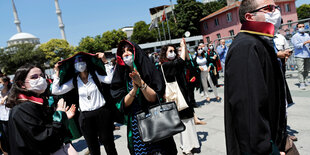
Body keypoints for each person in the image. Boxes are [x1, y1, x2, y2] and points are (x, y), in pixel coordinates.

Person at [224, 0, 287, 154]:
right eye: (269, 8)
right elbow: (249, 114)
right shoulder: (246, 47)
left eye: (276, 7)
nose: (276, 12)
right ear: (250, 17)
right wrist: (268, 150)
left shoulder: (260, 42)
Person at [110, 40, 178, 155]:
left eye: (129, 50)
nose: (126, 54)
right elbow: (122, 104)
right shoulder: (122, 74)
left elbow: (154, 98)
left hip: (155, 120)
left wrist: (141, 83)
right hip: (136, 126)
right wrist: (134, 90)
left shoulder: (148, 69)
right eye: (123, 51)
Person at [52, 52, 117, 155]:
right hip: (86, 117)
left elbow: (110, 79)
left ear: (87, 63)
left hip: (102, 113)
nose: (80, 64)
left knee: (109, 144)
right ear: (74, 66)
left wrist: (105, 62)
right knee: (93, 147)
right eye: (77, 62)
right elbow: (55, 91)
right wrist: (56, 72)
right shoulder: (74, 80)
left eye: (82, 61)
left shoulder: (95, 75)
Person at [6, 64, 76, 155]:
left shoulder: (36, 103)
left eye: (42, 76)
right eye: (34, 77)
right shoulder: (23, 108)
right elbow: (43, 138)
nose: (41, 79)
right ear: (21, 84)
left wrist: (63, 117)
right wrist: (59, 118)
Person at [159, 39, 200, 155]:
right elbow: (181, 62)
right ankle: (187, 147)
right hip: (177, 97)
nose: (173, 53)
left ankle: (191, 144)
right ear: (165, 54)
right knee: (185, 121)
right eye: (170, 51)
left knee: (189, 119)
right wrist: (182, 46)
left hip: (183, 95)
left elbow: (186, 60)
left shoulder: (174, 63)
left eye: (174, 51)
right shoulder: (166, 65)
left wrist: (184, 47)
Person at [291, 23, 310, 90]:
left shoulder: (307, 35)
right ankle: (301, 82)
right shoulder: (295, 36)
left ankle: (305, 80)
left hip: (307, 54)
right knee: (301, 69)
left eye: (303, 26)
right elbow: (296, 46)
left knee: (307, 69)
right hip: (299, 55)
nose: (302, 28)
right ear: (297, 28)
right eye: (300, 27)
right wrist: (305, 42)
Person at [0, 76, 11, 155]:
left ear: (6, 83)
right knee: (5, 137)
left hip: (10, 118)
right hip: (1, 118)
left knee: (11, 136)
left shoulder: (11, 93)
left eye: (0, 82)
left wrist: (6, 98)